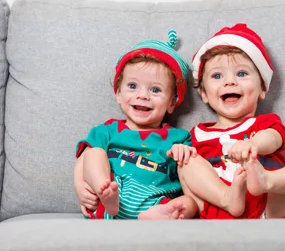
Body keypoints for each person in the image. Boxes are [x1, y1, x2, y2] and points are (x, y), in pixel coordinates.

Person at [74, 30, 246, 220]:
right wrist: (80, 185)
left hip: (157, 201)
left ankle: (155, 216)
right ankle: (105, 194)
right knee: (94, 153)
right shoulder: (107, 131)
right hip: (113, 192)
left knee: (189, 203)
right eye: (132, 86)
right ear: (118, 94)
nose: (143, 95)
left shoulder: (179, 138)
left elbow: (191, 173)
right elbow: (84, 158)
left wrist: (184, 151)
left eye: (155, 90)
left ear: (172, 103)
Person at [176, 23, 285, 219]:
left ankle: (266, 180)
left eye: (241, 73)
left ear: (262, 89)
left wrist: (253, 144)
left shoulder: (263, 124)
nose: (230, 82)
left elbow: (273, 139)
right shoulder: (197, 134)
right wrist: (181, 151)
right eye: (217, 75)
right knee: (186, 162)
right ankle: (227, 197)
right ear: (204, 94)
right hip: (219, 209)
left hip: (269, 207)